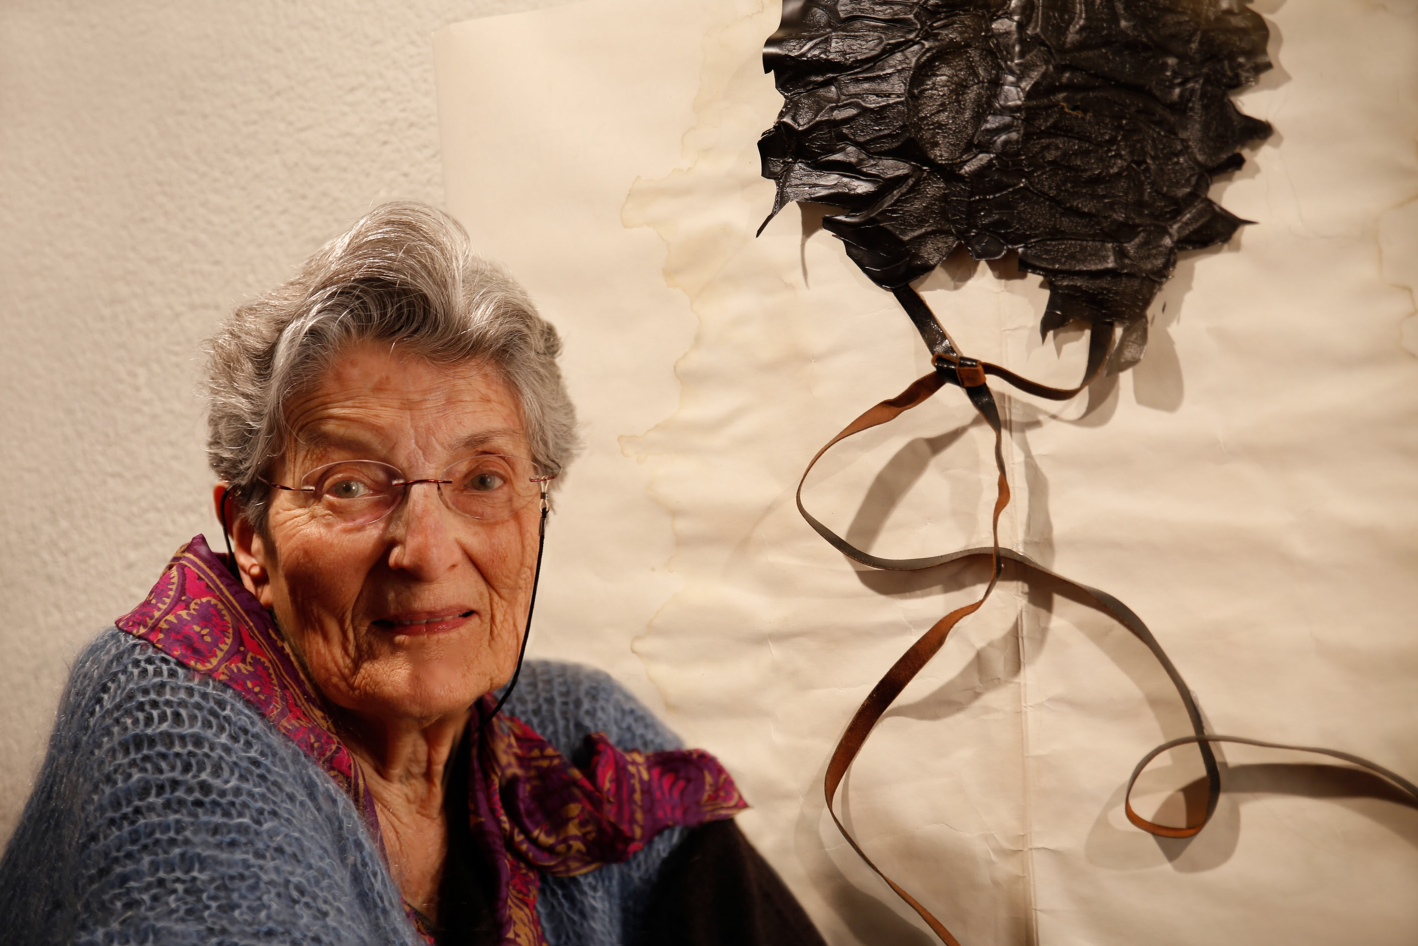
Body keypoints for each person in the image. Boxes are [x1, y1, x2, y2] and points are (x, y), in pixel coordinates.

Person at [0, 203, 826, 946]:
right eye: (351, 487)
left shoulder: (580, 744)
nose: (426, 551)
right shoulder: (169, 723)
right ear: (250, 538)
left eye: (483, 480)